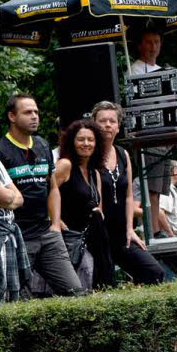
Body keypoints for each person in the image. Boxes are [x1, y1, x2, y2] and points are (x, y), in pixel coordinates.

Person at [0, 94, 83, 297]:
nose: (34, 117)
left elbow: (53, 188)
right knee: (12, 300)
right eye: (28, 112)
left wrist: (56, 225)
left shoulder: (41, 144)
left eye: (36, 112)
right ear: (12, 116)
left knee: (76, 292)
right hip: (17, 236)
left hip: (47, 233)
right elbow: (1, 198)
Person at [91, 101, 166, 285]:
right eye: (102, 121)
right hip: (98, 234)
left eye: (112, 121)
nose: (108, 125)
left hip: (121, 233)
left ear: (118, 127)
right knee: (105, 283)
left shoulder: (123, 155)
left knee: (153, 271)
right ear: (93, 124)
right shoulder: (89, 154)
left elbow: (129, 196)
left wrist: (130, 229)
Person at [54, 119, 109, 291]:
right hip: (68, 241)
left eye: (90, 140)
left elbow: (98, 206)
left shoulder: (95, 173)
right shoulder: (65, 165)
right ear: (71, 142)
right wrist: (57, 221)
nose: (86, 143)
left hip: (91, 241)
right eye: (81, 139)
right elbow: (44, 193)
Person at [129, 28, 174, 236]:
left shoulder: (163, 68)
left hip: (166, 132)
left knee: (160, 188)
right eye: (149, 42)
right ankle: (153, 230)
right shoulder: (134, 69)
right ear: (140, 45)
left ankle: (156, 229)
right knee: (152, 187)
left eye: (157, 42)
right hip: (149, 133)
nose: (153, 46)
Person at [0, 107, 26, 303]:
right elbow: (4, 195)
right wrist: (8, 198)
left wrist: (8, 199)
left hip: (6, 229)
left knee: (8, 293)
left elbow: (18, 198)